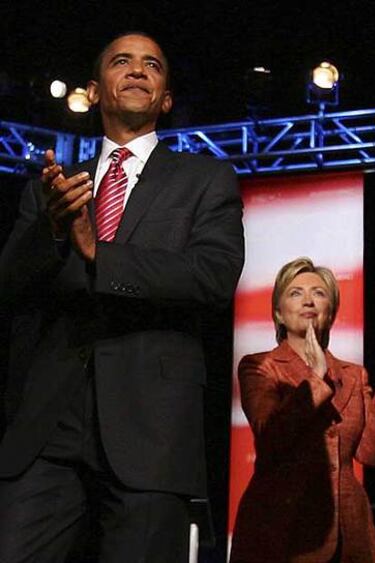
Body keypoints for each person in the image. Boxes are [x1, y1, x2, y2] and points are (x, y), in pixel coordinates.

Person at [0, 32, 244, 563]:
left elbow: (213, 276)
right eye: (122, 61)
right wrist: (56, 232)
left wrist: (99, 255)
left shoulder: (206, 180)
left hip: (151, 432)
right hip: (48, 428)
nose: (137, 70)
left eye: (152, 64)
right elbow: (11, 284)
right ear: (94, 88)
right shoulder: (55, 189)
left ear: (166, 97)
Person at [230, 257, 375, 563]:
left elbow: (369, 453)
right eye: (295, 293)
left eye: (319, 293)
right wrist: (315, 377)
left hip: (348, 532)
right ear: (278, 313)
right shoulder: (259, 367)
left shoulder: (354, 375)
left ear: (332, 311)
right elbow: (271, 434)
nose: (308, 300)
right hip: (280, 530)